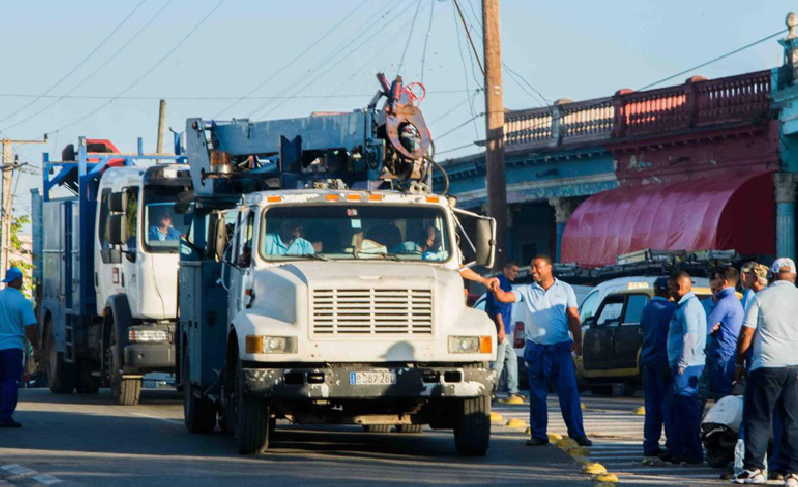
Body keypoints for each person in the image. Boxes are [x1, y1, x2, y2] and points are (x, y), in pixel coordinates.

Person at [489, 255, 591, 447]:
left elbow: (573, 315)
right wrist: (496, 289)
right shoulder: (526, 290)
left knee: (569, 392)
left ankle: (577, 434)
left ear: (549, 268)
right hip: (537, 350)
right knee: (537, 394)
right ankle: (538, 435)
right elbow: (505, 297)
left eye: (537, 267)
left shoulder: (565, 289)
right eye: (532, 268)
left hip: (560, 349)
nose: (532, 271)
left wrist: (578, 342)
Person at [733, 258, 798, 486]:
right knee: (791, 420)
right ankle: (792, 473)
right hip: (794, 366)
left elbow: (746, 335)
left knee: (758, 419)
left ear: (771, 275)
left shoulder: (761, 298)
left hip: (766, 365)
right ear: (794, 276)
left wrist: (739, 363)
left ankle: (755, 469)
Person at [663, 271, 706, 465]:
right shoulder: (685, 305)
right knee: (677, 411)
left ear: (679, 286)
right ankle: (678, 450)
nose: (669, 290)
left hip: (688, 366)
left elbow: (690, 336)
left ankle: (692, 453)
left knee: (687, 411)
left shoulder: (689, 307)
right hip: (686, 365)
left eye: (671, 286)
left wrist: (682, 363)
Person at [640, 277, 678, 465]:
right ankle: (672, 444)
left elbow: (642, 331)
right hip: (666, 360)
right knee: (668, 405)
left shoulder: (647, 308)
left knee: (652, 405)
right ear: (669, 291)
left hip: (648, 360)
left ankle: (650, 445)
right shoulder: (673, 309)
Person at [0, 267, 38, 428]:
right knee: (10, 381)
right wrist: (36, 347)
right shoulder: (23, 302)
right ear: (18, 281)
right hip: (12, 348)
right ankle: (4, 416)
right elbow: (30, 327)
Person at [484, 262, 522, 401]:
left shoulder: (506, 283)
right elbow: (497, 308)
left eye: (517, 271)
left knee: (511, 357)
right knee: (498, 361)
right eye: (513, 270)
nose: (515, 274)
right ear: (505, 269)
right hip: (498, 327)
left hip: (503, 328)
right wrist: (501, 328)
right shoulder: (499, 283)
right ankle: (491, 391)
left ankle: (513, 390)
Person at [705, 267, 744, 399]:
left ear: (724, 282)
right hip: (730, 354)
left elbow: (706, 327)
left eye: (715, 278)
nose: (712, 281)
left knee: (721, 397)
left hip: (722, 355)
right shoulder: (734, 300)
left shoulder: (724, 302)